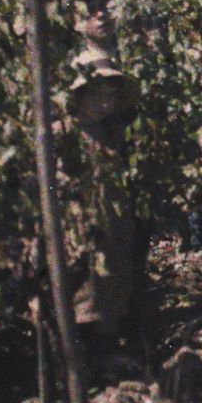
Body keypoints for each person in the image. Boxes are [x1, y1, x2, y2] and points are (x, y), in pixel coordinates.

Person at [66, 45, 142, 354]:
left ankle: (106, 355)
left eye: (111, 95)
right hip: (80, 227)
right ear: (80, 95)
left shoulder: (112, 133)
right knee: (85, 294)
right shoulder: (67, 134)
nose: (106, 102)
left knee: (110, 292)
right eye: (98, 94)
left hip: (112, 227)